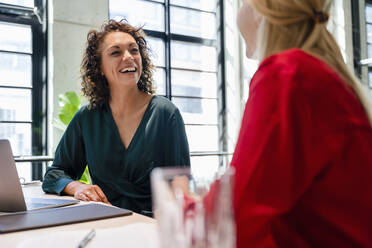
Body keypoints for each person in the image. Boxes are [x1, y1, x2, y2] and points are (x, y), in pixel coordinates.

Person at [173, 0, 372, 247]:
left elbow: (233, 226)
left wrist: (180, 204)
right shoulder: (320, 75)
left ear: (260, 10)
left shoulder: (288, 75)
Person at [42, 20, 190, 217]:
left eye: (134, 50)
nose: (128, 57)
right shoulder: (87, 118)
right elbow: (54, 175)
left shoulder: (165, 113)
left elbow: (180, 185)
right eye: (116, 52)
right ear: (100, 68)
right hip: (105, 223)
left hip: (154, 228)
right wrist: (75, 186)